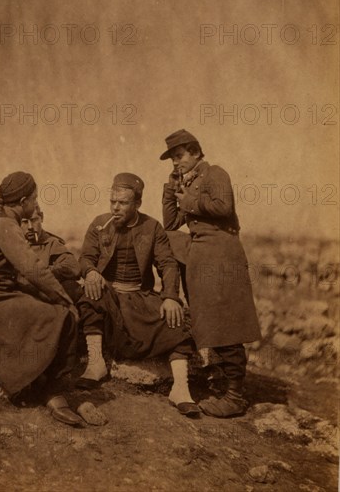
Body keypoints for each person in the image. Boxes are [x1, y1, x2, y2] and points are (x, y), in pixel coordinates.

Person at [0, 172, 84, 426]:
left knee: (45, 309)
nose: (34, 204)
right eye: (34, 199)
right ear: (23, 201)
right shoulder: (5, 226)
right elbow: (34, 270)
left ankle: (35, 380)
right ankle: (53, 391)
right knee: (63, 316)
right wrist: (64, 299)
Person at [77, 173, 199, 417]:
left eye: (122, 203)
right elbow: (86, 258)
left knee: (177, 320)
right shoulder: (100, 224)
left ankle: (180, 388)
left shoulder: (152, 227)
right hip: (108, 294)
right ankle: (96, 364)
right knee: (90, 296)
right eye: (113, 201)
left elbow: (167, 264)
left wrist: (170, 297)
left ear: (137, 205)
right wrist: (91, 272)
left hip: (139, 296)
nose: (115, 207)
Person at [160, 129, 262, 417]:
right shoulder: (187, 182)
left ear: (195, 152)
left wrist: (188, 201)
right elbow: (170, 223)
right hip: (201, 256)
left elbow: (223, 206)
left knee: (225, 323)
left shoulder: (214, 173)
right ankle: (220, 382)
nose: (175, 163)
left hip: (220, 255)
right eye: (172, 159)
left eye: (179, 157)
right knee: (208, 320)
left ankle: (234, 396)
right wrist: (171, 190)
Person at [19, 204, 82, 303]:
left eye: (34, 220)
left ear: (42, 218)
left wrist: (43, 273)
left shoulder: (51, 242)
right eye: (25, 222)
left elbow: (73, 267)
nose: (30, 227)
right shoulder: (13, 244)